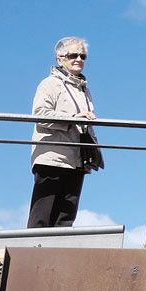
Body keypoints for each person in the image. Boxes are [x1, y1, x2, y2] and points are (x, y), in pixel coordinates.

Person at [27, 37, 104, 228]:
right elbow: (40, 114)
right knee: (42, 215)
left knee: (66, 218)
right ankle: (33, 253)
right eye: (73, 55)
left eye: (82, 55)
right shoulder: (49, 84)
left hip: (77, 159)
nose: (79, 59)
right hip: (52, 156)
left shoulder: (84, 89)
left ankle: (58, 255)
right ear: (59, 58)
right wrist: (74, 117)